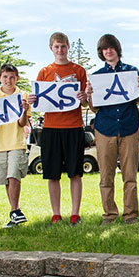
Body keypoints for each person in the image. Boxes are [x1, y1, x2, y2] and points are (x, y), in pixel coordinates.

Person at [29, 32, 88, 226]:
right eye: (56, 47)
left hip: (73, 126)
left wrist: (84, 98)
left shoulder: (78, 70)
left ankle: (75, 213)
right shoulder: (45, 71)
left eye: (63, 46)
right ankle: (56, 213)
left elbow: (86, 100)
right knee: (52, 173)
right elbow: (38, 99)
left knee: (75, 172)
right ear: (51, 48)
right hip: (51, 127)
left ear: (68, 47)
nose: (60, 50)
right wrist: (33, 100)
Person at [85, 34, 139, 225]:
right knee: (106, 175)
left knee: (130, 175)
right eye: (104, 49)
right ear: (101, 53)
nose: (108, 51)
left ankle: (131, 215)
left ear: (117, 49)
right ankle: (109, 214)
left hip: (128, 126)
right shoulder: (97, 76)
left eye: (111, 47)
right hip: (105, 128)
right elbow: (94, 108)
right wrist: (89, 96)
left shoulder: (131, 71)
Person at [0, 64, 31, 228]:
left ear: (17, 78)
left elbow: (22, 123)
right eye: (5, 77)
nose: (8, 80)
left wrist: (23, 111)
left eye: (12, 77)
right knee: (7, 179)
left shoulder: (22, 95)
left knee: (14, 175)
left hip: (16, 141)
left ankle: (15, 210)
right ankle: (15, 212)